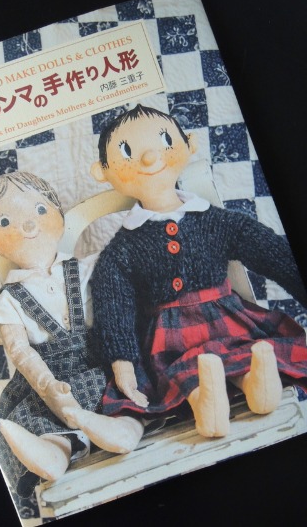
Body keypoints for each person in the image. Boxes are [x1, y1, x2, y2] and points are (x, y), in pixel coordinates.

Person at [90, 103, 307, 438]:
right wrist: (123, 361)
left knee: (243, 352)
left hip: (230, 322)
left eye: (165, 140)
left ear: (188, 144)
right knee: (183, 371)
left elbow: (272, 253)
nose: (150, 157)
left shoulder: (216, 221)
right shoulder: (122, 250)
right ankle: (205, 400)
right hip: (169, 340)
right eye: (128, 152)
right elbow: (113, 306)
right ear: (102, 171)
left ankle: (256, 380)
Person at [0, 171, 143, 498]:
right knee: (42, 420)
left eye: (39, 210)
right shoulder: (8, 301)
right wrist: (48, 386)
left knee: (124, 402)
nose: (28, 224)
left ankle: (120, 430)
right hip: (49, 380)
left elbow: (117, 304)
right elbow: (21, 352)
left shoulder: (88, 267)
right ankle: (53, 452)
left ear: (58, 213)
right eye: (5, 222)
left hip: (100, 364)